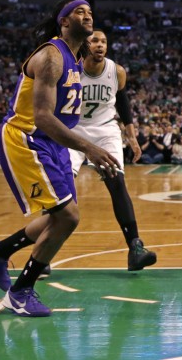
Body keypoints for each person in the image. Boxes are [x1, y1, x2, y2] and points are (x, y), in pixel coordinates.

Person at [0, 0, 121, 318]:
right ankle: (20, 292)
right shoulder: (51, 56)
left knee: (59, 217)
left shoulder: (75, 57)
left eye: (90, 12)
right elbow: (41, 116)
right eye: (79, 12)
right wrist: (90, 147)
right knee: (68, 216)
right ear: (65, 22)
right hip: (31, 138)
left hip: (51, 143)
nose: (87, 16)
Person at [68, 30, 157, 272]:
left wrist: (132, 137)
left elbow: (123, 104)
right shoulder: (71, 70)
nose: (100, 45)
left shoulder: (116, 71)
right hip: (73, 129)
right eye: (95, 40)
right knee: (62, 188)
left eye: (103, 41)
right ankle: (43, 253)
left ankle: (135, 247)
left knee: (116, 181)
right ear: (85, 45)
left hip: (105, 130)